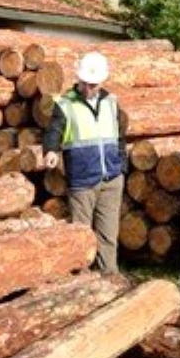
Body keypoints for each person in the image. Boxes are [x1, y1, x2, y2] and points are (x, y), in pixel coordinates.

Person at [42, 51, 127, 274]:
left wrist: (121, 166)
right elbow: (54, 130)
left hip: (111, 178)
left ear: (102, 82)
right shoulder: (65, 104)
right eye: (86, 83)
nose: (89, 88)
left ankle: (110, 277)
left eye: (94, 85)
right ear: (79, 79)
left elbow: (120, 137)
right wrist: (51, 150)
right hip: (82, 180)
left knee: (108, 235)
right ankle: (82, 280)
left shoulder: (111, 103)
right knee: (81, 236)